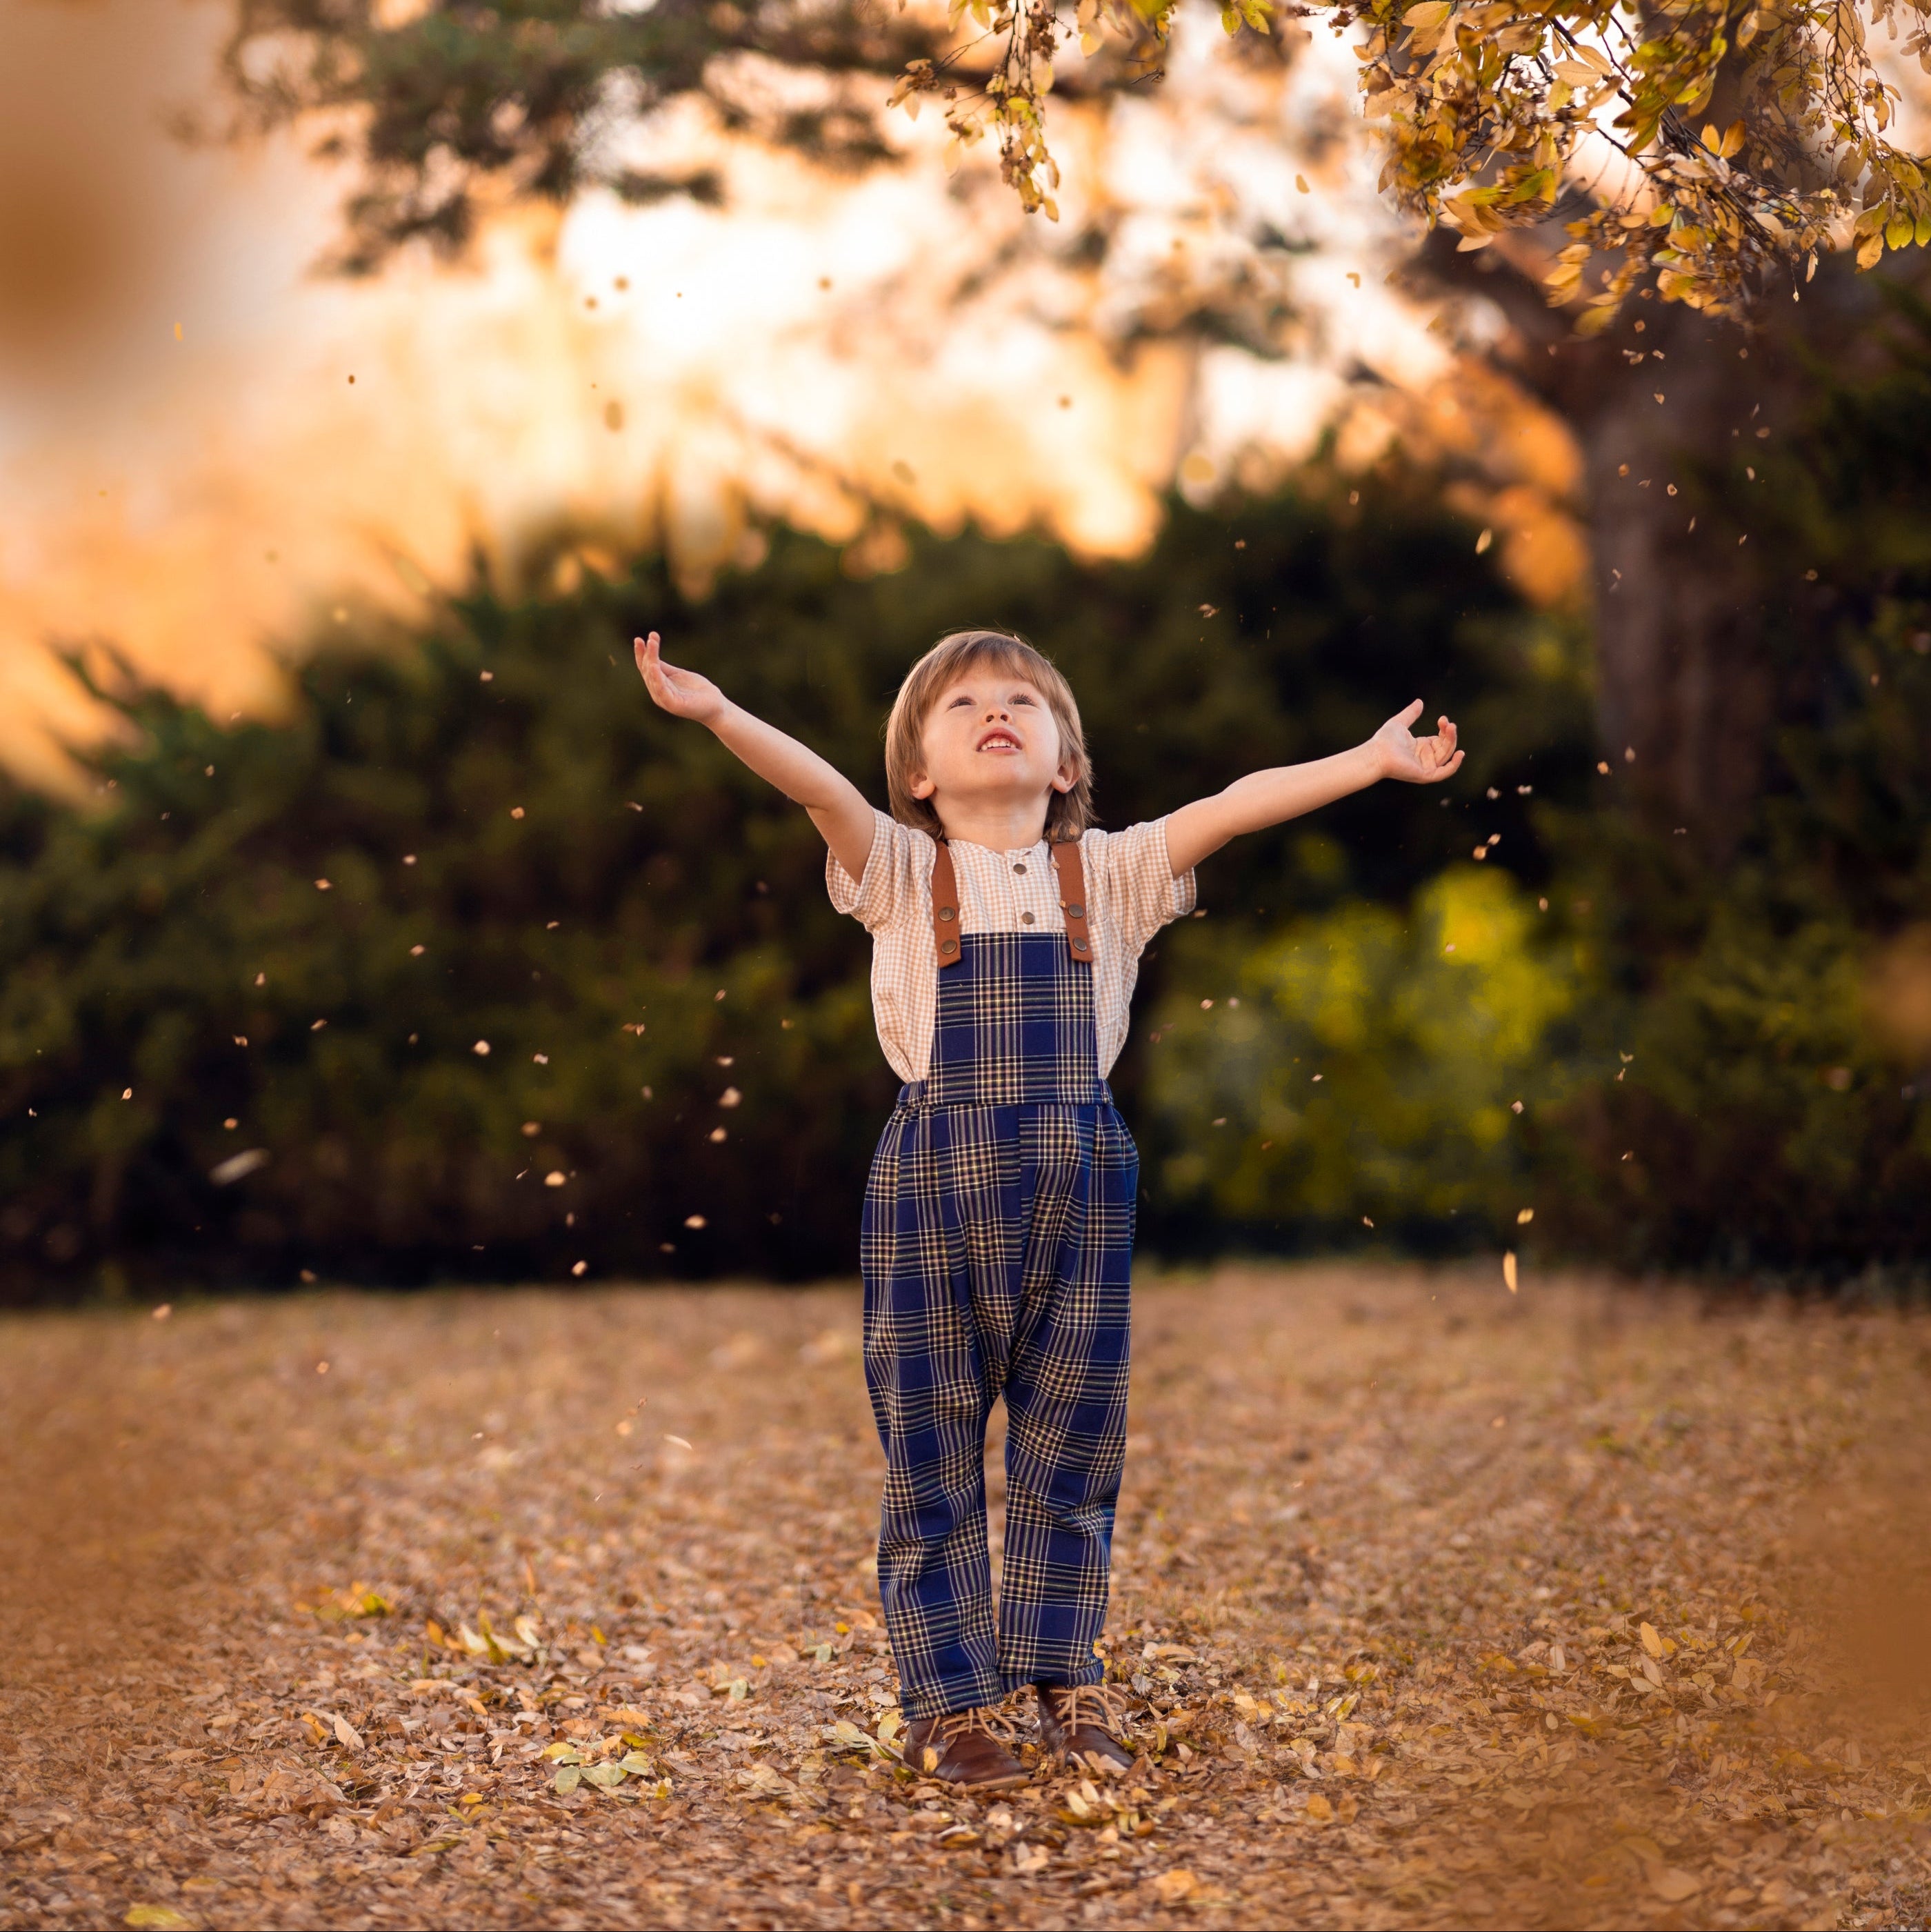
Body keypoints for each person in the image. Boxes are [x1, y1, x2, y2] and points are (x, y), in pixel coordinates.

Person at [634, 625, 1462, 1789]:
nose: (996, 711)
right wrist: (720, 714)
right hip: (933, 1182)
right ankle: (950, 1702)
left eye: (1023, 700)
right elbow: (817, 784)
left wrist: (1367, 762)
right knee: (930, 1445)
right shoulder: (900, 872)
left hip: (1082, 1181)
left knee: (1074, 1441)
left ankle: (1065, 1679)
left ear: (1066, 761)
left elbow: (1236, 802)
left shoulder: (1116, 874)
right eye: (963, 702)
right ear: (918, 772)